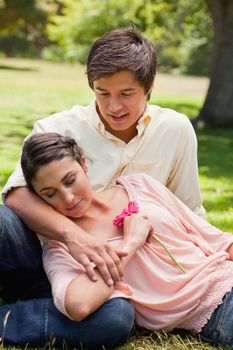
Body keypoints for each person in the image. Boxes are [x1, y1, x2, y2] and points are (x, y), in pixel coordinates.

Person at [0, 26, 204, 347]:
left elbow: (188, 209)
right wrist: (74, 236)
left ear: (149, 87)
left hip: (107, 282)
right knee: (2, 219)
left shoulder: (175, 131)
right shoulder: (56, 128)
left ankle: (17, 317)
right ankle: (41, 298)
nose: (114, 107)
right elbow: (17, 195)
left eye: (126, 94)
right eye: (102, 92)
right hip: (46, 260)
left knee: (115, 320)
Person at [20, 132, 233, 350]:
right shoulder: (62, 247)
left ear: (83, 164)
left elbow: (217, 239)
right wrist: (131, 243)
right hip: (216, 311)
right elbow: (78, 305)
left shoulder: (139, 185)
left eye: (70, 181)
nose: (68, 198)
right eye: (49, 193)